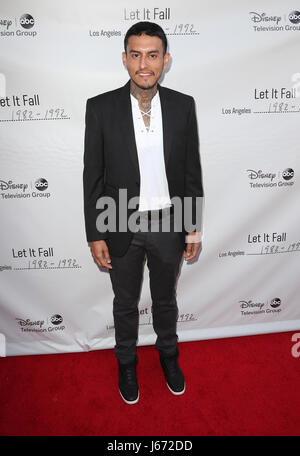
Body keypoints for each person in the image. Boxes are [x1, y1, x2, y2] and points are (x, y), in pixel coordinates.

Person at [83, 21, 203, 404]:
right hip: (119, 221)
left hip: (169, 221)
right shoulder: (100, 108)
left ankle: (169, 357)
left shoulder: (184, 106)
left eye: (152, 55)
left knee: (165, 299)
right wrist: (95, 232)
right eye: (136, 54)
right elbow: (93, 175)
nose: (144, 63)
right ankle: (127, 362)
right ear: (124, 59)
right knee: (124, 303)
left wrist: (193, 228)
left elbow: (191, 170)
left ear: (166, 60)